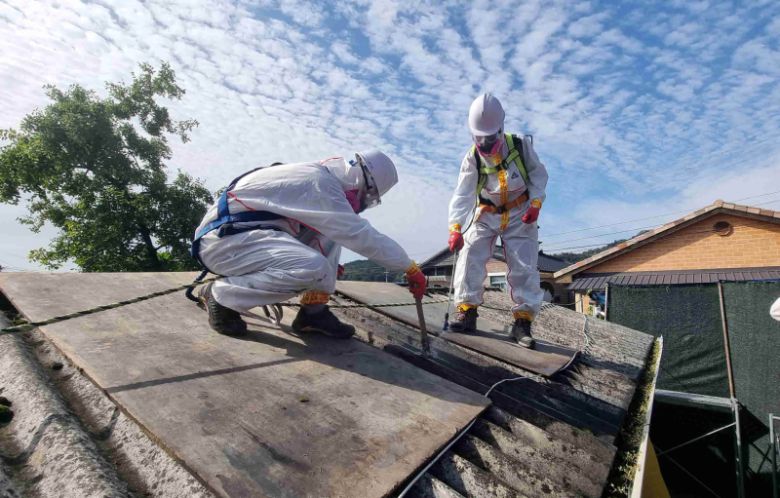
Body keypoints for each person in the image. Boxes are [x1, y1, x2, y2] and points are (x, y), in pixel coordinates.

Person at [192, 150, 426, 338]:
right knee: (314, 266)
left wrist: (326, 267)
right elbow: (359, 234)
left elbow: (342, 230)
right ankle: (220, 296)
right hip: (226, 242)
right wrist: (409, 268)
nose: (362, 204)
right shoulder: (320, 184)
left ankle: (313, 313)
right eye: (367, 198)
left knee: (331, 237)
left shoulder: (322, 178)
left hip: (247, 237)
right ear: (364, 185)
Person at [447, 93, 548, 348]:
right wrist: (455, 227)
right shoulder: (472, 157)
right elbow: (463, 193)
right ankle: (466, 311)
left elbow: (538, 176)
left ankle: (523, 323)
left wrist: (536, 203)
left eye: (488, 138)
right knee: (470, 254)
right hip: (486, 213)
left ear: (500, 130)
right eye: (478, 138)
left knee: (524, 266)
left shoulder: (520, 146)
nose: (484, 143)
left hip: (520, 212)